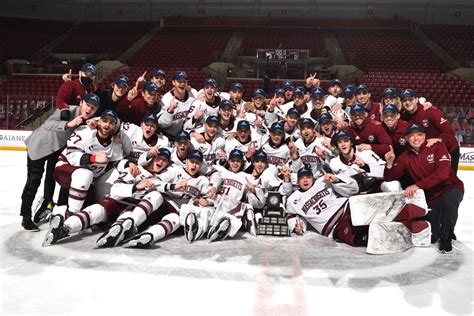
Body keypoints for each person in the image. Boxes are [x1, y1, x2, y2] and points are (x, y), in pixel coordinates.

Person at [20, 93, 101, 230]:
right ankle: (25, 216)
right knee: (33, 181)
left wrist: (97, 124)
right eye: (88, 105)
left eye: (93, 108)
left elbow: (104, 122)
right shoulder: (67, 110)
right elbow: (48, 124)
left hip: (57, 150)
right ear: (81, 103)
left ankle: (47, 203)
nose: (89, 110)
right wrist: (69, 123)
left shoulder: (90, 119)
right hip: (39, 146)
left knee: (52, 178)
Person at [384, 123, 464, 253]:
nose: (416, 138)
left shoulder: (437, 146)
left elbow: (443, 174)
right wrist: (389, 164)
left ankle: (447, 237)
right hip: (432, 196)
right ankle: (440, 231)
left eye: (419, 134)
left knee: (450, 200)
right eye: (412, 135)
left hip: (451, 187)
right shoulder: (405, 157)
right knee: (432, 237)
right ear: (407, 138)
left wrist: (418, 185)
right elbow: (391, 177)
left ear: (425, 136)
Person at [53, 110, 132, 216]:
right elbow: (72, 156)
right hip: (65, 168)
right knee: (85, 174)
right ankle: (71, 213)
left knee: (113, 176)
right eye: (105, 121)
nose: (107, 124)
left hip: (90, 180)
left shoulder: (115, 143)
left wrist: (129, 165)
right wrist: (94, 158)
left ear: (114, 126)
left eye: (111, 122)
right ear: (98, 122)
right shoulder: (85, 131)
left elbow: (116, 162)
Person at [399, 89, 460, 173]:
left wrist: (439, 140)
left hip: (448, 149)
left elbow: (450, 132)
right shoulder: (403, 116)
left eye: (410, 99)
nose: (408, 102)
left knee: (448, 182)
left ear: (416, 100)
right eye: (404, 100)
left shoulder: (430, 111)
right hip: (429, 153)